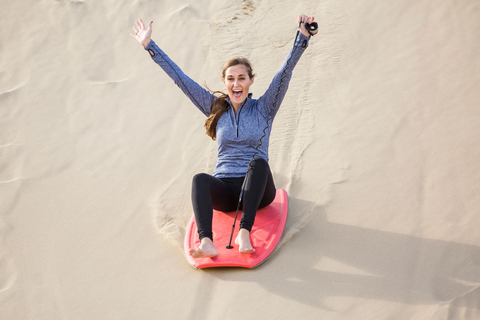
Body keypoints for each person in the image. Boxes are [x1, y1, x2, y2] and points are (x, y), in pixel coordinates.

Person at [131, 14, 314, 258]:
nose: (236, 84)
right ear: (225, 82)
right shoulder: (216, 108)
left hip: (258, 191)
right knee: (199, 180)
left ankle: (244, 232)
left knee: (258, 163)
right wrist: (149, 46)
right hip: (226, 191)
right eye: (231, 79)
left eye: (241, 78)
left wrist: (302, 38)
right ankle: (206, 241)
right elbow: (180, 79)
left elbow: (285, 72)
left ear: (250, 81)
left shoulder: (265, 107)